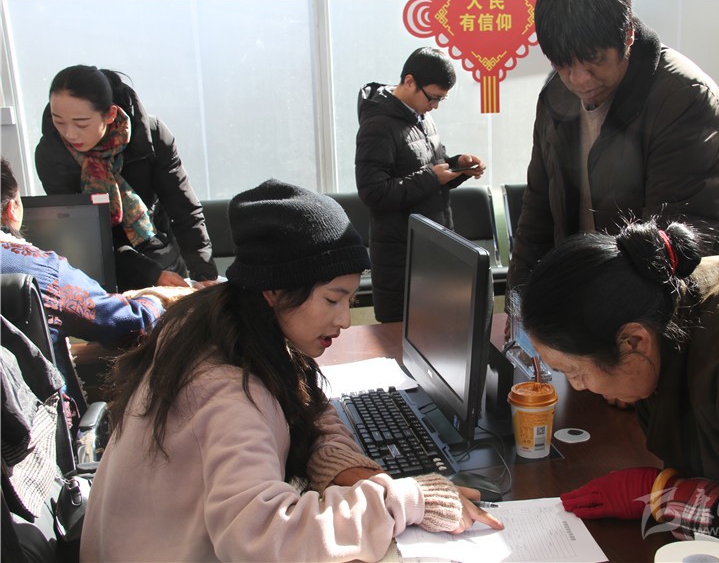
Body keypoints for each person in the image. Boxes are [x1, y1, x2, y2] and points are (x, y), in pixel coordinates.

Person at [80, 180, 503, 561]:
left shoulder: (227, 325)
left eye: (351, 301)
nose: (344, 320)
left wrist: (334, 460)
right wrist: (407, 500)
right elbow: (266, 539)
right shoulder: (227, 391)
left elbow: (306, 406)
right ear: (274, 290)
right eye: (332, 299)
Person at [520, 218, 719, 561]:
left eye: (573, 372)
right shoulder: (661, 286)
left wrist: (664, 495)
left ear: (633, 342)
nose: (578, 387)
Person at [507, 0, 719, 295]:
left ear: (628, 35)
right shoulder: (555, 96)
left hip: (695, 298)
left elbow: (671, 244)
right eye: (563, 64)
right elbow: (537, 212)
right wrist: (519, 302)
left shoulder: (683, 97)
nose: (580, 79)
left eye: (595, 59)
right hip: (595, 295)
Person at [35, 65, 219, 291]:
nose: (69, 134)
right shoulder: (51, 154)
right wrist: (149, 275)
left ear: (110, 114)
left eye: (81, 123)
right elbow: (81, 232)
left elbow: (184, 209)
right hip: (101, 266)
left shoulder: (150, 135)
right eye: (59, 121)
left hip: (159, 248)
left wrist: (204, 274)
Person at [1, 157, 180, 383]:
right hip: (38, 405)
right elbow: (129, 323)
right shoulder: (40, 271)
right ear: (12, 210)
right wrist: (156, 298)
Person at [355, 47, 486, 323]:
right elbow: (373, 192)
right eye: (433, 97)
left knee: (441, 331)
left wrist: (458, 166)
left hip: (432, 250)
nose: (435, 105)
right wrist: (432, 177)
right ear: (409, 81)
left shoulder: (421, 115)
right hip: (401, 259)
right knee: (402, 337)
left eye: (441, 99)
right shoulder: (378, 124)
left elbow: (428, 170)